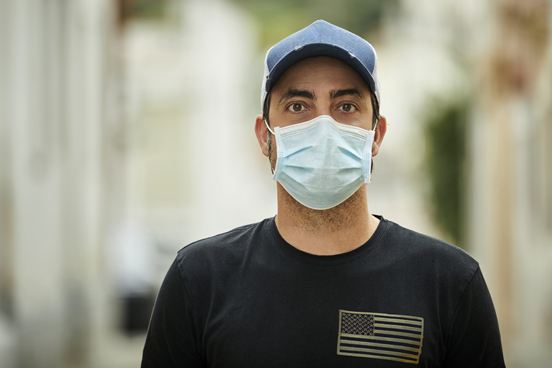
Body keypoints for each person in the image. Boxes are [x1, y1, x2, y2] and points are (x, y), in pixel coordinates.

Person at [141, 20, 505, 367]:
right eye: (298, 106)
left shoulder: (449, 283)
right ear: (264, 135)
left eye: (346, 106)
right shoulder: (199, 281)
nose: (324, 127)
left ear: (375, 136)